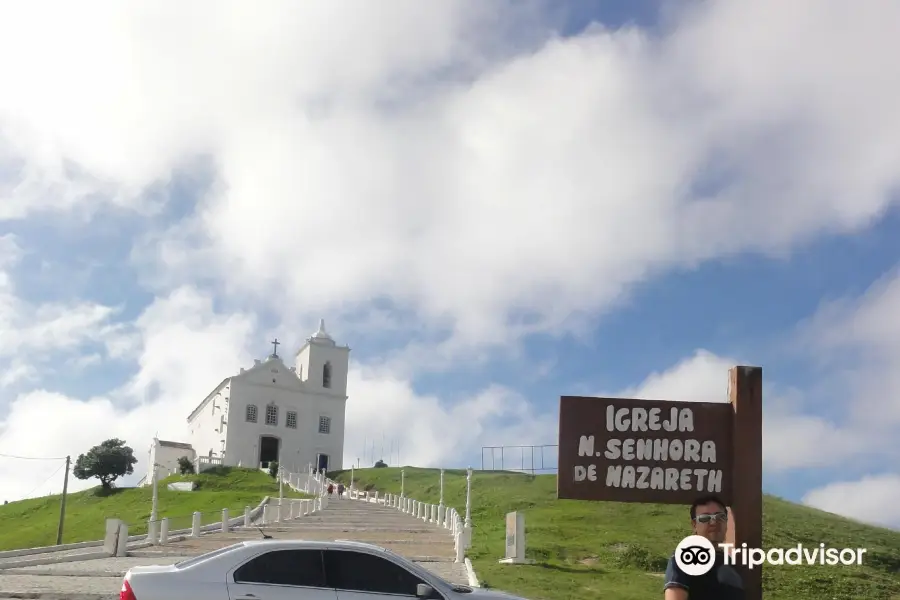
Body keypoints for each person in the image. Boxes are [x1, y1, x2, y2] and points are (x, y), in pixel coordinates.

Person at [664, 494, 744, 600]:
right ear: (694, 525)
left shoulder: (731, 562)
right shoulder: (686, 557)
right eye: (705, 518)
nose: (713, 522)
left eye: (720, 517)